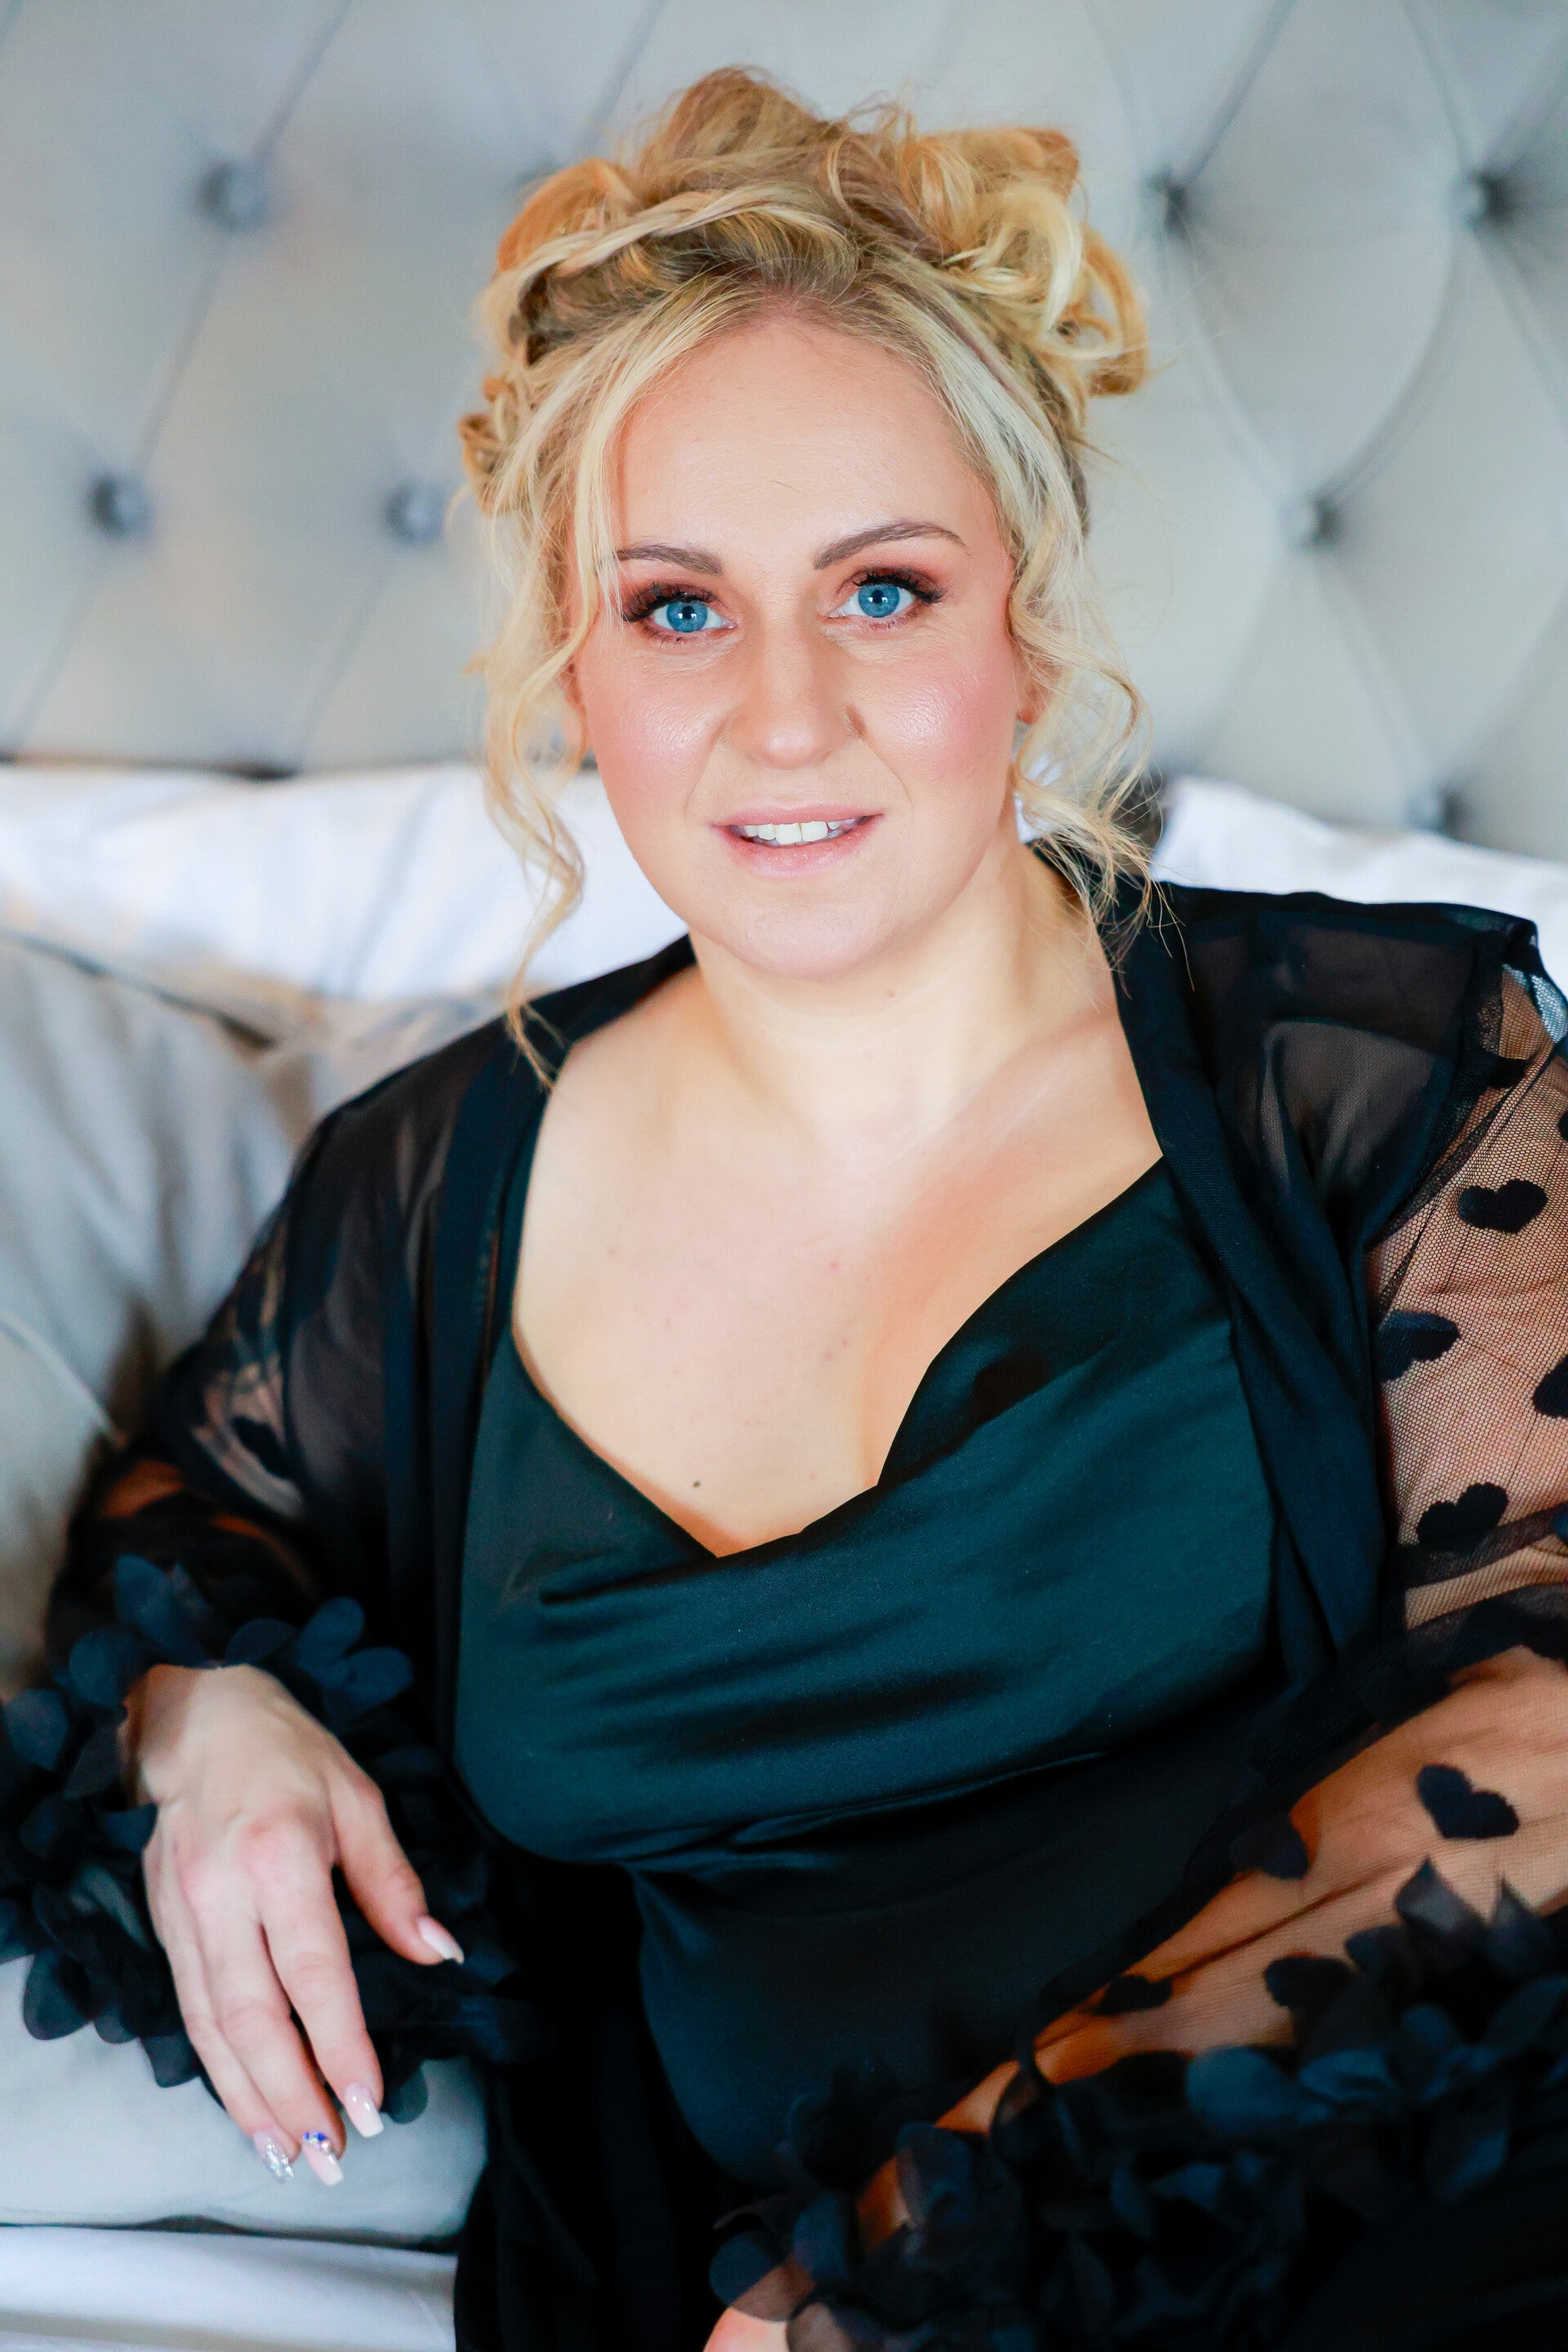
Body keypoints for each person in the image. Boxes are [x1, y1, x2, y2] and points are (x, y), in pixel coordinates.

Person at [25, 67, 1568, 2352]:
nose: (782, 715)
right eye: (677, 609)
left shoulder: (1380, 1078)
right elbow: (196, 1519)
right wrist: (201, 1716)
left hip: (1372, 2218)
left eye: (881, 589)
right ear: (575, 661)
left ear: (1023, 622)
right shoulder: (431, 1186)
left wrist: (932, 2257)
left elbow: (1546, 1725)